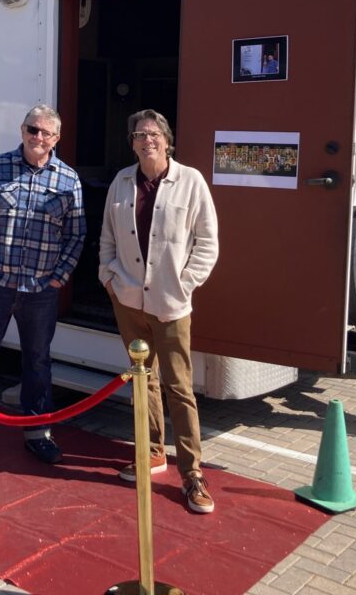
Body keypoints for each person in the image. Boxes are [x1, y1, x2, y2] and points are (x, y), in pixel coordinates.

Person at [98, 109, 219, 513]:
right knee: (141, 380)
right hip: (129, 300)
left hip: (171, 303)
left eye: (153, 133)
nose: (146, 140)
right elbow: (108, 238)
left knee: (179, 388)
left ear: (167, 140)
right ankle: (151, 451)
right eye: (138, 134)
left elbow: (208, 243)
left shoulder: (191, 182)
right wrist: (109, 277)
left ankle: (192, 474)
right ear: (132, 143)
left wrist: (185, 283)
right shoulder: (121, 181)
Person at [0, 105, 86, 465]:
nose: (37, 137)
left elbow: (76, 235)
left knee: (38, 363)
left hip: (41, 290)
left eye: (45, 132)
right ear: (22, 129)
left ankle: (37, 434)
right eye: (32, 129)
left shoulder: (68, 179)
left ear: (56, 138)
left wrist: (59, 277)